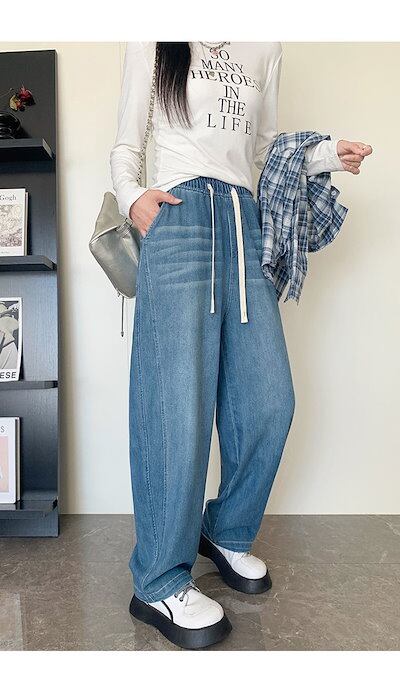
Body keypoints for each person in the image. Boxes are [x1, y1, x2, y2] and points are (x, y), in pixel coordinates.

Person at [110, 41, 372, 650]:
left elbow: (264, 150)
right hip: (179, 216)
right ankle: (158, 579)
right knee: (175, 407)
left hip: (243, 220)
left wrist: (326, 155)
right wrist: (131, 196)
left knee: (268, 401)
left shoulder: (265, 44)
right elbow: (127, 142)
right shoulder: (153, 32)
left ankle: (225, 531)